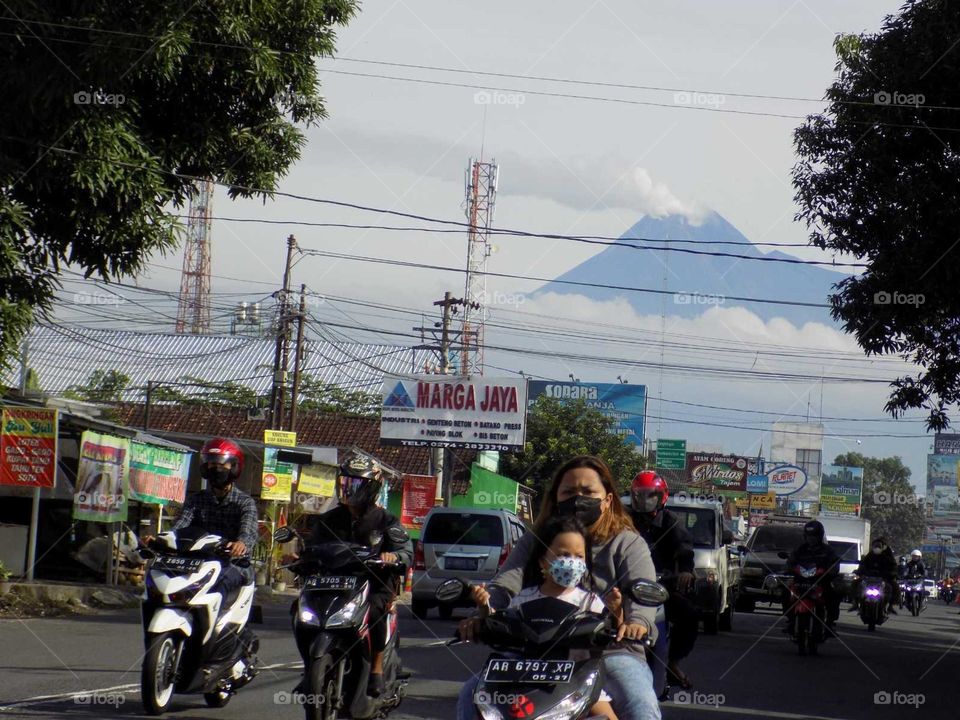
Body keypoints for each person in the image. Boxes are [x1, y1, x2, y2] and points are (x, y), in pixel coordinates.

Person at [457, 455, 661, 720]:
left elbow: (642, 592)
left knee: (641, 706)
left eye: (588, 492)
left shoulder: (628, 544)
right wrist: (481, 614)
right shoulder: (535, 542)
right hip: (534, 653)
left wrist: (637, 622)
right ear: (555, 499)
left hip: (608, 654)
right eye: (569, 492)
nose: (578, 498)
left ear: (608, 500)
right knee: (472, 695)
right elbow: (505, 584)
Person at [470, 516, 623, 720]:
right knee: (480, 708)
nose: (572, 562)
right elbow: (498, 625)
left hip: (578, 684)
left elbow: (611, 631)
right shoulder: (524, 598)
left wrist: (616, 610)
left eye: (579, 556)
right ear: (543, 561)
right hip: (523, 682)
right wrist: (483, 607)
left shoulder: (590, 601)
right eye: (563, 555)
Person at [300, 452, 412, 697]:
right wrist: (300, 557)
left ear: (371, 488)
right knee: (300, 613)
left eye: (358, 485)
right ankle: (309, 670)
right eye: (346, 484)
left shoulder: (386, 520)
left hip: (373, 583)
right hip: (333, 583)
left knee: (375, 611)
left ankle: (377, 670)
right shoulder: (330, 519)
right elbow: (311, 545)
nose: (350, 491)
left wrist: (394, 558)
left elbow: (406, 550)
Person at [144, 437, 258, 595]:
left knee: (222, 581)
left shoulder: (245, 503)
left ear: (233, 466)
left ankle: (215, 619)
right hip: (194, 563)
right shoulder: (196, 500)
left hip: (232, 564)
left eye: (221, 464)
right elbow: (179, 527)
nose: (216, 469)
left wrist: (240, 544)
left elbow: (248, 532)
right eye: (212, 464)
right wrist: (160, 539)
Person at [629, 470, 698, 690]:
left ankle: (673, 663)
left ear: (661, 497)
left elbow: (684, 548)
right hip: (627, 585)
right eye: (640, 495)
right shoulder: (624, 519)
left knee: (688, 614)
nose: (645, 500)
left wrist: (686, 571)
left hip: (661, 586)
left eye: (651, 495)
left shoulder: (670, 521)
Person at [782, 520, 841, 637]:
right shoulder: (800, 549)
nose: (811, 539)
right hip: (801, 581)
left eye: (814, 536)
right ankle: (790, 619)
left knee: (834, 595)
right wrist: (789, 567)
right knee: (785, 592)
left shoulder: (827, 550)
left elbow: (835, 562)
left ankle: (830, 623)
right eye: (809, 536)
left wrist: (832, 570)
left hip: (821, 582)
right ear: (805, 536)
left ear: (819, 536)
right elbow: (791, 561)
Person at [849, 537, 898, 614]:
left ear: (884, 546)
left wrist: (892, 573)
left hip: (883, 578)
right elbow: (863, 564)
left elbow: (894, 566)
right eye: (875, 546)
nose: (877, 548)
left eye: (879, 546)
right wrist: (859, 571)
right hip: (869, 578)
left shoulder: (888, 556)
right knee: (855, 583)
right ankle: (855, 603)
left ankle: (890, 606)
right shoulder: (870, 555)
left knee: (894, 586)